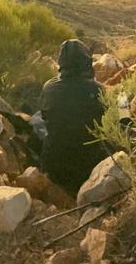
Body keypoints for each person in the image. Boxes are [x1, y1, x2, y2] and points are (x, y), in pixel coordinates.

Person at [38, 39, 108, 194]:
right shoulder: (97, 90)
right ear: (86, 62)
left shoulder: (49, 88)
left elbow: (44, 116)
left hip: (55, 168)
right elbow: (109, 121)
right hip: (89, 168)